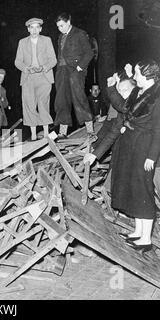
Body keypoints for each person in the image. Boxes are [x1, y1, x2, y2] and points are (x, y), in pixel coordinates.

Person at [84, 60, 160, 253]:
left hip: (144, 148)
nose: (134, 77)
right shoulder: (138, 92)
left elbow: (159, 131)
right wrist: (111, 87)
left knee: (143, 191)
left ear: (147, 76)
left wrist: (151, 156)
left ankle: (145, 239)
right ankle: (137, 232)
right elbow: (122, 110)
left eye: (137, 74)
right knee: (134, 190)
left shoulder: (156, 97)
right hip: (130, 146)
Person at [53, 12, 95, 140]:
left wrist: (79, 67)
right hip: (62, 70)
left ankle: (90, 130)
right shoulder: (60, 37)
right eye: (58, 27)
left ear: (68, 22)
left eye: (62, 26)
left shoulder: (80, 33)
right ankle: (62, 132)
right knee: (61, 100)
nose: (60, 29)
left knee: (79, 97)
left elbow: (89, 53)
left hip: (75, 70)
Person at [14, 17, 57, 141]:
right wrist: (26, 68)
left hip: (44, 76)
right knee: (29, 105)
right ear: (28, 29)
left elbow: (53, 60)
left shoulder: (47, 40)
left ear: (41, 29)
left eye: (37, 27)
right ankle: (33, 135)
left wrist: (44, 67)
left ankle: (45, 134)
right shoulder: (22, 42)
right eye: (31, 27)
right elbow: (17, 61)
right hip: (28, 78)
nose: (34, 30)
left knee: (43, 104)